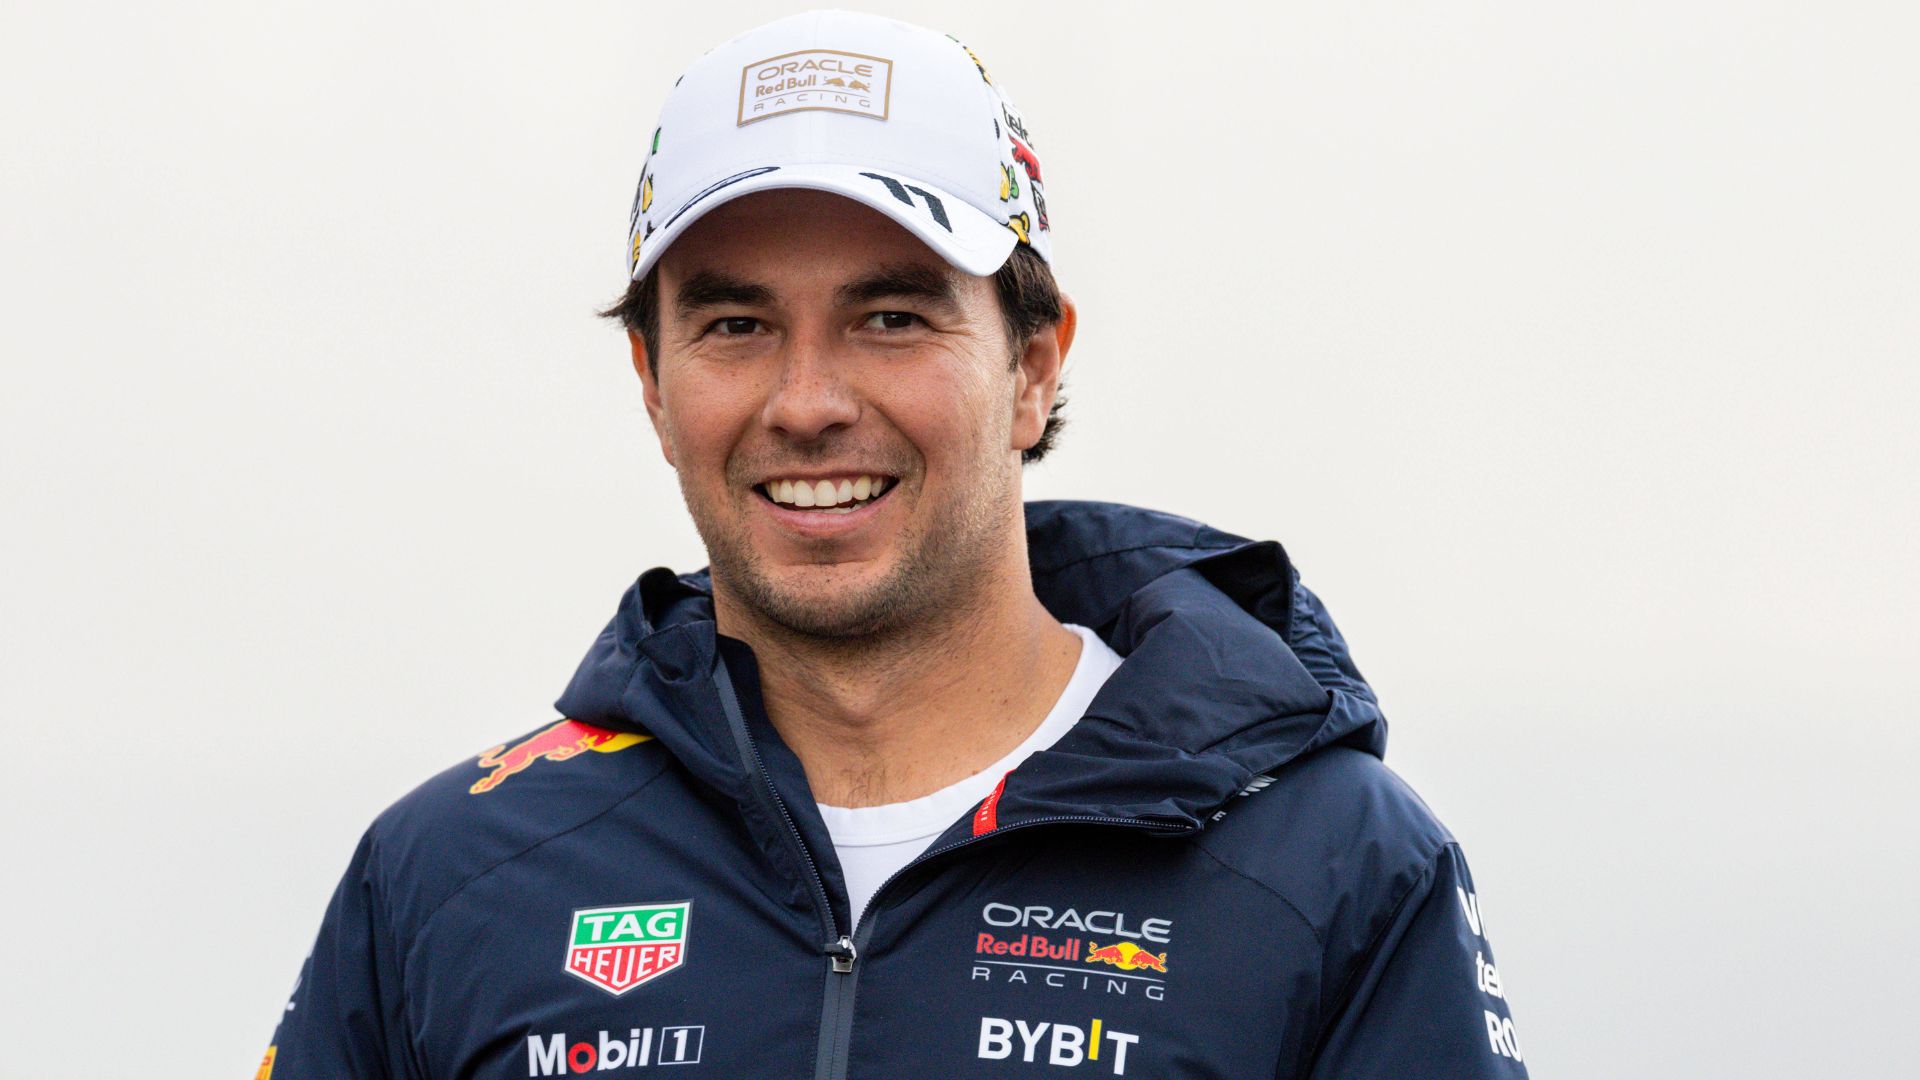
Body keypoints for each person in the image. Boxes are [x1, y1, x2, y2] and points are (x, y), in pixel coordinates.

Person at [258, 11, 1528, 1078]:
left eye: (891, 317)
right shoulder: (449, 876)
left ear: (1032, 367)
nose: (807, 402)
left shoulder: (1334, 868)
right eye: (738, 326)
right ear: (652, 381)